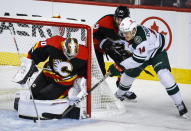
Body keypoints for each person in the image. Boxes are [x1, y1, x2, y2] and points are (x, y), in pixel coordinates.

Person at [108, 17, 188, 116]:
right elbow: (129, 46)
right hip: (143, 53)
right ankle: (119, 95)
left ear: (133, 30)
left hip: (156, 53)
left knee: (164, 76)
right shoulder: (131, 32)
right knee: (128, 76)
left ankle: (179, 103)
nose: (125, 35)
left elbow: (137, 61)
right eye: (123, 32)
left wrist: (119, 66)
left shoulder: (141, 40)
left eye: (127, 32)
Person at [13, 36, 88, 119]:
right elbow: (37, 48)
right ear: (63, 47)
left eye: (72, 56)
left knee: (42, 98)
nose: (69, 58)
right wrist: (29, 63)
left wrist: (82, 85)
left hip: (62, 83)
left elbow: (87, 73)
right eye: (67, 55)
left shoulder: (84, 54)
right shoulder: (53, 43)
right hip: (46, 75)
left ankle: (66, 95)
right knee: (33, 95)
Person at [93, 6, 136, 100]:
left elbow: (128, 40)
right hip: (96, 46)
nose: (119, 22)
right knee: (100, 72)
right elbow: (93, 34)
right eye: (118, 19)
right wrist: (104, 43)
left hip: (112, 45)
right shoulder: (105, 22)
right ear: (114, 17)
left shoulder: (128, 25)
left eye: (122, 19)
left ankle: (122, 90)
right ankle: (98, 93)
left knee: (125, 63)